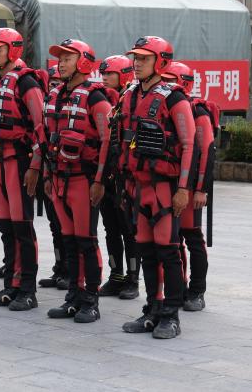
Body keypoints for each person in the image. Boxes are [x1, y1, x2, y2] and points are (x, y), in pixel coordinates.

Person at [119, 37, 195, 339]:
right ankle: (152, 309)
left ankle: (171, 316)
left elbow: (189, 145)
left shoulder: (174, 98)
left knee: (167, 250)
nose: (137, 63)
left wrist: (183, 189)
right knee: (146, 251)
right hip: (138, 186)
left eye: (144, 58)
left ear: (160, 62)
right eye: (135, 58)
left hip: (164, 187)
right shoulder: (129, 95)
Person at [0, 29, 48, 312]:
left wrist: (35, 167)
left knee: (22, 227)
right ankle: (11, 285)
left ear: (13, 50)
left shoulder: (26, 82)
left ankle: (27, 291)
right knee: (6, 228)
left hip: (18, 163)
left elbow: (42, 128)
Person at [44, 39, 112, 323]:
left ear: (83, 62)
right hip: (58, 177)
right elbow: (45, 136)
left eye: (67, 58)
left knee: (86, 240)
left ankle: (90, 300)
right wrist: (46, 173)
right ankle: (73, 295)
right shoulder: (55, 94)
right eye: (60, 59)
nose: (61, 63)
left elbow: (108, 140)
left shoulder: (96, 98)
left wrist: (99, 181)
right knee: (69, 240)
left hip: (83, 179)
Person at [162, 61, 217, 313]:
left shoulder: (198, 111)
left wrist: (201, 189)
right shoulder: (163, 107)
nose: (165, 84)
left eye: (170, 80)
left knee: (192, 237)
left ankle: (197, 291)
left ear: (183, 83)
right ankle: (180, 288)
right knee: (174, 240)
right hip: (170, 184)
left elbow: (206, 150)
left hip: (191, 187)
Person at [97, 55, 140, 300]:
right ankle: (116, 276)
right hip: (108, 175)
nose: (104, 78)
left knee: (129, 230)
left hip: (125, 177)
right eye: (103, 73)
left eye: (109, 74)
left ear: (123, 75)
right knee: (110, 229)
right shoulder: (104, 100)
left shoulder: (132, 100)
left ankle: (133, 279)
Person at [38, 65, 69, 291]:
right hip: (51, 172)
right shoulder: (48, 105)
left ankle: (72, 273)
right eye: (52, 82)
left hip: (74, 175)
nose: (55, 85)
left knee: (71, 230)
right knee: (55, 226)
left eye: (59, 81)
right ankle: (60, 268)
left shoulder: (83, 101)